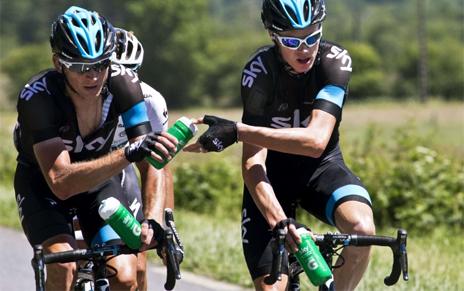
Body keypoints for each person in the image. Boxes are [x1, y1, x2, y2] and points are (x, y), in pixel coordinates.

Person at [185, 0, 376, 290]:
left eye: (313, 36)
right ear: (273, 36)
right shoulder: (259, 73)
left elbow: (315, 142)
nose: (305, 48)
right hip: (270, 178)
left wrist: (238, 131)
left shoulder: (334, 61)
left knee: (362, 228)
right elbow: (253, 163)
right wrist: (279, 222)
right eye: (292, 40)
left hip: (321, 168)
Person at [13, 6, 176, 290]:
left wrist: (152, 219)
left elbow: (152, 161)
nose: (93, 75)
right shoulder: (38, 98)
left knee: (125, 277)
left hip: (99, 183)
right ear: (58, 63)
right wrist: (126, 153)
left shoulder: (125, 83)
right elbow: (61, 182)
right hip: (43, 186)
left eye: (101, 64)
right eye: (81, 67)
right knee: (63, 266)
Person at [110, 27, 175, 291]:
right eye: (117, 71)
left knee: (136, 266)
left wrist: (165, 225)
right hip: (83, 167)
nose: (125, 81)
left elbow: (160, 166)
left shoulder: (150, 100)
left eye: (132, 71)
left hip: (121, 170)